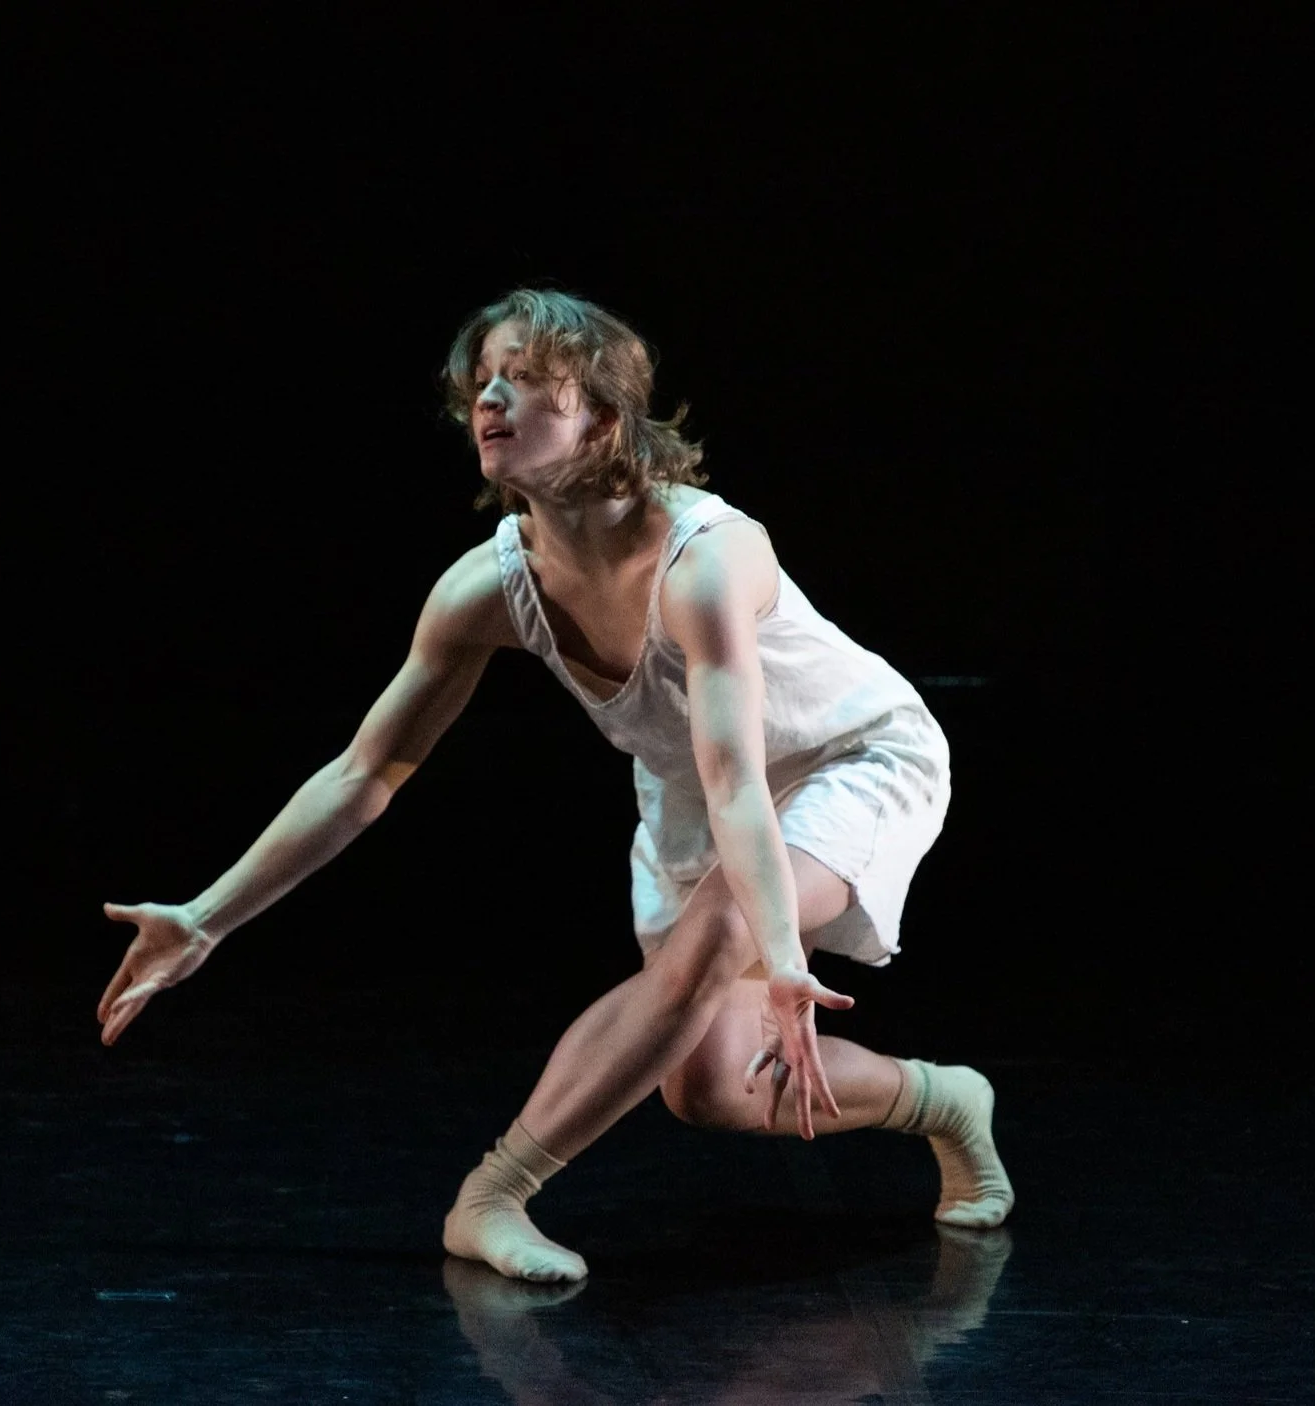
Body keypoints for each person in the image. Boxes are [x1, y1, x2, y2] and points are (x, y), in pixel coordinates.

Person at [97, 288, 1013, 1283]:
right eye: (483, 380)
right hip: (693, 792)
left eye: (528, 378)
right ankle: (946, 1098)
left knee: (717, 934)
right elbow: (363, 774)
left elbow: (740, 781)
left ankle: (493, 1195)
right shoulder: (486, 589)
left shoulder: (706, 561)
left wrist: (782, 949)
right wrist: (207, 917)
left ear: (605, 416)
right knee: (712, 1088)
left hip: (851, 758)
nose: (490, 398)